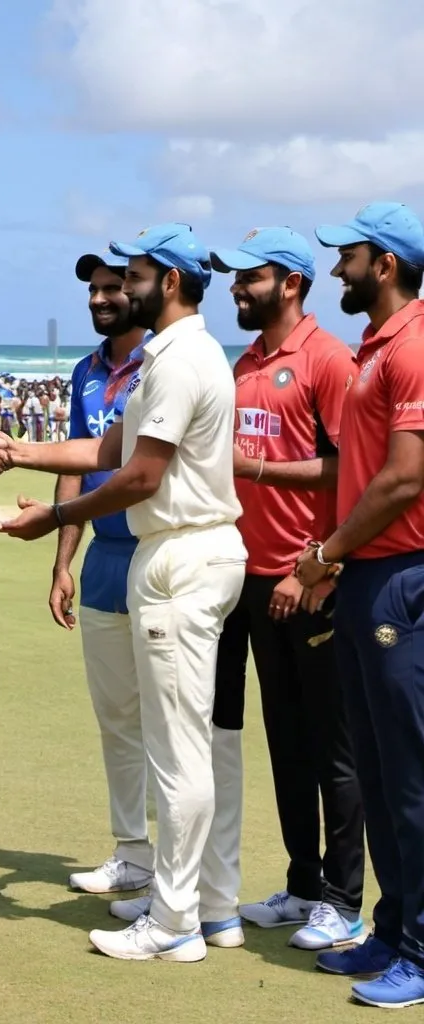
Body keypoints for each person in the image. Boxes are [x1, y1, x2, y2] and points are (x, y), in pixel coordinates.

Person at [0, 223, 247, 961]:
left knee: (179, 752)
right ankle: (193, 907)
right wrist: (21, 452)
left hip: (182, 555)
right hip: (179, 555)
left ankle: (175, 924)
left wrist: (58, 518)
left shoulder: (180, 357)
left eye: (133, 274)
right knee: (177, 744)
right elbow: (109, 450)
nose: (121, 286)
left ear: (168, 281)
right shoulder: (176, 354)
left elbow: (138, 477)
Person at [209, 227, 365, 951]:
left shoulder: (329, 360)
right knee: (287, 743)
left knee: (334, 748)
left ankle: (344, 897)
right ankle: (304, 884)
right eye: (235, 278)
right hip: (250, 577)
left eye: (252, 277)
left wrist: (316, 568)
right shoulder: (247, 361)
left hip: (312, 578)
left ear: (292, 283)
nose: (237, 288)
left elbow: (347, 472)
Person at [294, 202, 424, 1009]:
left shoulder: (413, 343)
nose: (336, 269)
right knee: (377, 772)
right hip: (365, 576)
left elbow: (407, 478)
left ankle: (420, 949)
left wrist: (329, 552)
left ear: (384, 262)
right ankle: (391, 928)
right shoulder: (375, 347)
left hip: (401, 575)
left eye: (348, 256)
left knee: (410, 776)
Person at [55, 250, 152, 895]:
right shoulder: (85, 371)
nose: (100, 298)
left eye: (114, 287)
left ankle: (174, 869)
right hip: (100, 561)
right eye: (94, 289)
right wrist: (62, 561)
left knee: (168, 723)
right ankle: (132, 852)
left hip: (157, 553)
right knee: (117, 717)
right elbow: (74, 461)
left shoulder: (163, 364)